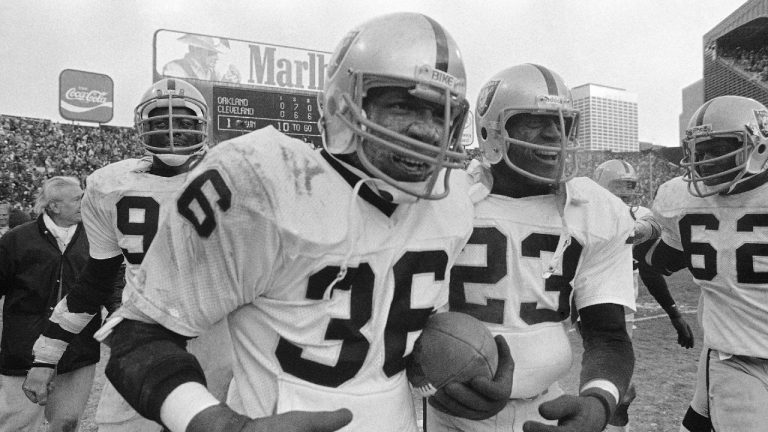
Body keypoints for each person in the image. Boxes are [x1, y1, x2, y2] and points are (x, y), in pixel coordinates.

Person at [97, 12, 514, 432]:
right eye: (402, 105)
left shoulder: (453, 201)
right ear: (341, 103)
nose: (426, 130)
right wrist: (217, 423)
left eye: (441, 115)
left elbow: (387, 345)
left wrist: (444, 383)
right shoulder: (263, 182)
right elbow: (135, 338)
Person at [23, 77, 234, 432]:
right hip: (143, 332)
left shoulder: (233, 176)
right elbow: (96, 280)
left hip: (218, 332)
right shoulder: (110, 185)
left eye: (183, 123)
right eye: (160, 123)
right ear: (142, 130)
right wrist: (46, 355)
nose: (172, 132)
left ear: (201, 126)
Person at [437, 64, 636, 432]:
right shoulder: (444, 198)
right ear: (492, 129)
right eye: (534, 121)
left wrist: (599, 402)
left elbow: (608, 335)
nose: (553, 134)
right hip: (454, 410)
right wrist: (429, 374)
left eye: (562, 123)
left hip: (545, 405)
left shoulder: (595, 209)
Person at [646, 95, 768, 431]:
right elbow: (664, 259)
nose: (706, 161)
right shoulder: (680, 199)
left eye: (719, 148)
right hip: (736, 357)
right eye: (700, 151)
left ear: (759, 144)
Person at [592, 159, 695, 432]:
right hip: (594, 308)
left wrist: (674, 314)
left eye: (630, 187)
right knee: (615, 389)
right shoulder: (585, 214)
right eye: (619, 186)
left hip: (621, 310)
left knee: (618, 392)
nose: (626, 193)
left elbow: (648, 267)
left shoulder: (640, 216)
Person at [0, 176, 93, 432]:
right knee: (18, 423)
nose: (84, 203)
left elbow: (111, 287)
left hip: (78, 350)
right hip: (24, 350)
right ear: (53, 206)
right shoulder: (16, 240)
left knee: (66, 422)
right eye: (77, 199)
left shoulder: (97, 237)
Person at [162, 34, 240, 83]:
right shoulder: (174, 68)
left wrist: (225, 84)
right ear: (196, 51)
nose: (216, 58)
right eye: (211, 53)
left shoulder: (212, 72)